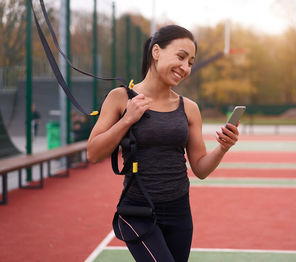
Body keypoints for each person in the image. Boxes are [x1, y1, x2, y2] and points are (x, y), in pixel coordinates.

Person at [86, 25, 240, 262]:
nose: (185, 67)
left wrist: (223, 147)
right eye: (180, 57)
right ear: (156, 51)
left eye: (190, 62)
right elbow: (93, 153)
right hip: (137, 211)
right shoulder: (120, 97)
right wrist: (127, 119)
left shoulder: (189, 108)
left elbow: (200, 169)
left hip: (179, 212)